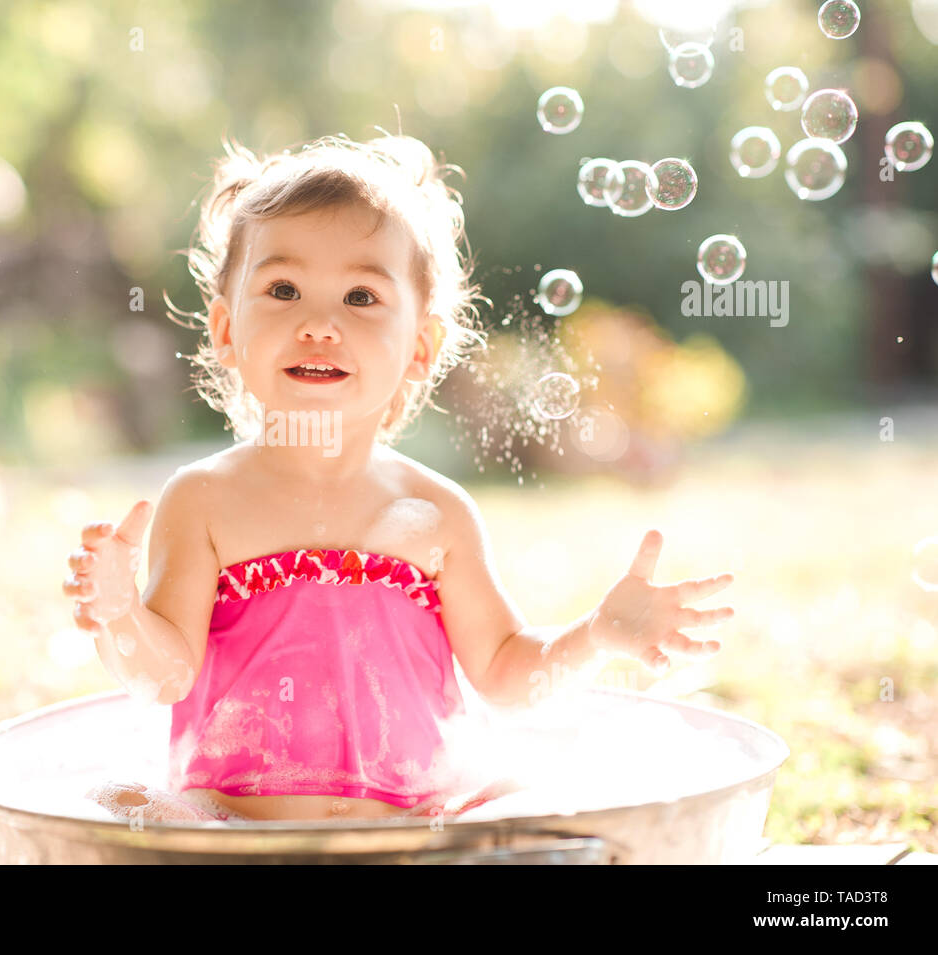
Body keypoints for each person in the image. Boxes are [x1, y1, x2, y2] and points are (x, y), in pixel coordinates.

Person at [63, 131, 734, 824]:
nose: (318, 322)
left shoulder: (436, 512)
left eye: (360, 296)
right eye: (283, 288)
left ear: (420, 346)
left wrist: (595, 635)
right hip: (233, 827)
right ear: (227, 331)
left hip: (412, 826)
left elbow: (505, 671)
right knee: (123, 806)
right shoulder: (203, 501)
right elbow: (164, 674)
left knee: (520, 803)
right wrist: (121, 614)